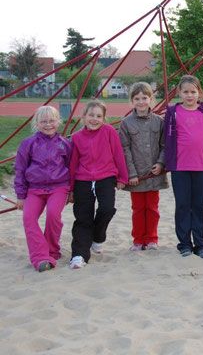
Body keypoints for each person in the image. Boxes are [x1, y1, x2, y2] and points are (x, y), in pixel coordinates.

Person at [69, 100, 128, 269]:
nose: (94, 119)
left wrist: (122, 177)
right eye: (91, 115)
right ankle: (79, 255)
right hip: (83, 180)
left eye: (99, 116)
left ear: (103, 118)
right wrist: (71, 188)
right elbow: (73, 164)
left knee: (107, 209)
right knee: (83, 217)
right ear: (83, 117)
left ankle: (98, 236)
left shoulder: (109, 132)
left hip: (106, 177)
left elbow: (118, 154)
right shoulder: (77, 137)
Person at [14, 106, 71, 272]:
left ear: (58, 122)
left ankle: (52, 250)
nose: (48, 124)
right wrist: (20, 195)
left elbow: (71, 167)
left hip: (59, 187)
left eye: (52, 121)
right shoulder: (28, 144)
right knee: (28, 218)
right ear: (37, 123)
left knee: (53, 215)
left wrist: (72, 191)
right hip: (35, 189)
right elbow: (20, 170)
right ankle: (40, 257)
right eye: (44, 121)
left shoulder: (65, 144)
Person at [164, 75, 203, 259]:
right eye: (185, 92)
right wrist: (168, 162)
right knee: (183, 205)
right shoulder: (173, 112)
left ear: (199, 92)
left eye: (193, 91)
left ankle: (201, 244)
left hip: (202, 165)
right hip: (180, 166)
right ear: (179, 92)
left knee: (199, 206)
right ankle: (185, 244)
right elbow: (167, 138)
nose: (189, 95)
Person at [119, 82, 168, 251]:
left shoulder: (159, 122)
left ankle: (152, 239)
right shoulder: (126, 123)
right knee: (138, 208)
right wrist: (131, 173)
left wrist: (161, 163)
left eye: (144, 98)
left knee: (152, 208)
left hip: (154, 174)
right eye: (137, 99)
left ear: (151, 99)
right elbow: (125, 150)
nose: (141, 102)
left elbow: (164, 146)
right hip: (137, 176)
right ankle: (138, 240)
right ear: (132, 101)